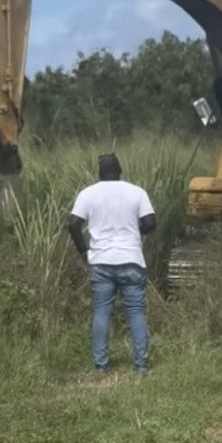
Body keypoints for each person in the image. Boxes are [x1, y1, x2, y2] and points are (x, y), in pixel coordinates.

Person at [68, 154, 156, 375]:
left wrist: (84, 251)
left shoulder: (88, 194)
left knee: (101, 312)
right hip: (131, 260)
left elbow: (73, 224)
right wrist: (137, 232)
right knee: (136, 312)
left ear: (99, 172)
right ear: (120, 170)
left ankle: (101, 366)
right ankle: (141, 366)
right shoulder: (137, 192)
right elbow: (151, 223)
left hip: (101, 261)